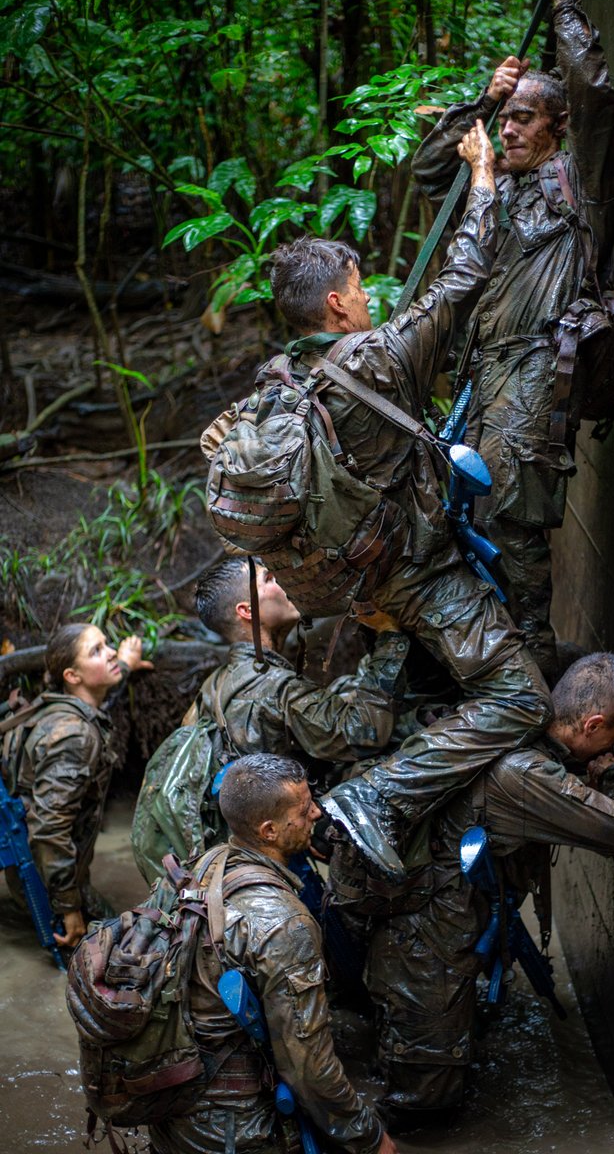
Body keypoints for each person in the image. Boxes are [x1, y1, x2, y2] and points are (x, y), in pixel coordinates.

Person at [260, 123, 552, 883]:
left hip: (361, 586)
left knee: (428, 692)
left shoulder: (278, 385)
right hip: (418, 576)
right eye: (359, 289)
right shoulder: (379, 360)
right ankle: (376, 798)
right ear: (335, 301)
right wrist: (482, 175)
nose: (369, 298)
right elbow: (465, 274)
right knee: (521, 697)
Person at [412, 0, 614, 679]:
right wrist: (481, 100)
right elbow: (429, 174)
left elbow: (594, 96)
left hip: (532, 395)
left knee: (521, 561)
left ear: (558, 129)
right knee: (472, 541)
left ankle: (528, 709)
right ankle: (496, 692)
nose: (507, 131)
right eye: (505, 120)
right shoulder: (498, 184)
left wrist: (564, 0)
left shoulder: (578, 189)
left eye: (523, 118)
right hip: (483, 392)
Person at [329, 653, 614, 1125]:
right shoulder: (526, 774)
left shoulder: (505, 727)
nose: (611, 748)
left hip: (410, 916)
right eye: (612, 739)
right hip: (424, 940)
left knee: (394, 1040)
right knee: (425, 1106)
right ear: (592, 724)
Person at [147, 752, 397, 1154]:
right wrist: (369, 1137)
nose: (317, 812)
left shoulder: (195, 869)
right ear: (269, 830)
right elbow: (309, 1069)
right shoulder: (284, 925)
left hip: (171, 1107)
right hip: (237, 1130)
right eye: (304, 810)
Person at [189, 556, 410, 773]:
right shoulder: (275, 687)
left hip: (253, 802)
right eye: (268, 579)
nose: (283, 580)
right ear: (247, 611)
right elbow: (364, 734)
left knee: (344, 687)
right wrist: (388, 636)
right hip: (297, 805)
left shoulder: (212, 685)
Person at [8, 623, 151, 948]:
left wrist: (126, 665)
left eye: (107, 644)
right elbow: (48, 828)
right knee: (119, 947)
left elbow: (101, 693)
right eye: (97, 651)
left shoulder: (65, 705)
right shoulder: (73, 736)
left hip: (54, 869)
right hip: (43, 882)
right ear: (73, 676)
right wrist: (69, 908)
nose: (112, 651)